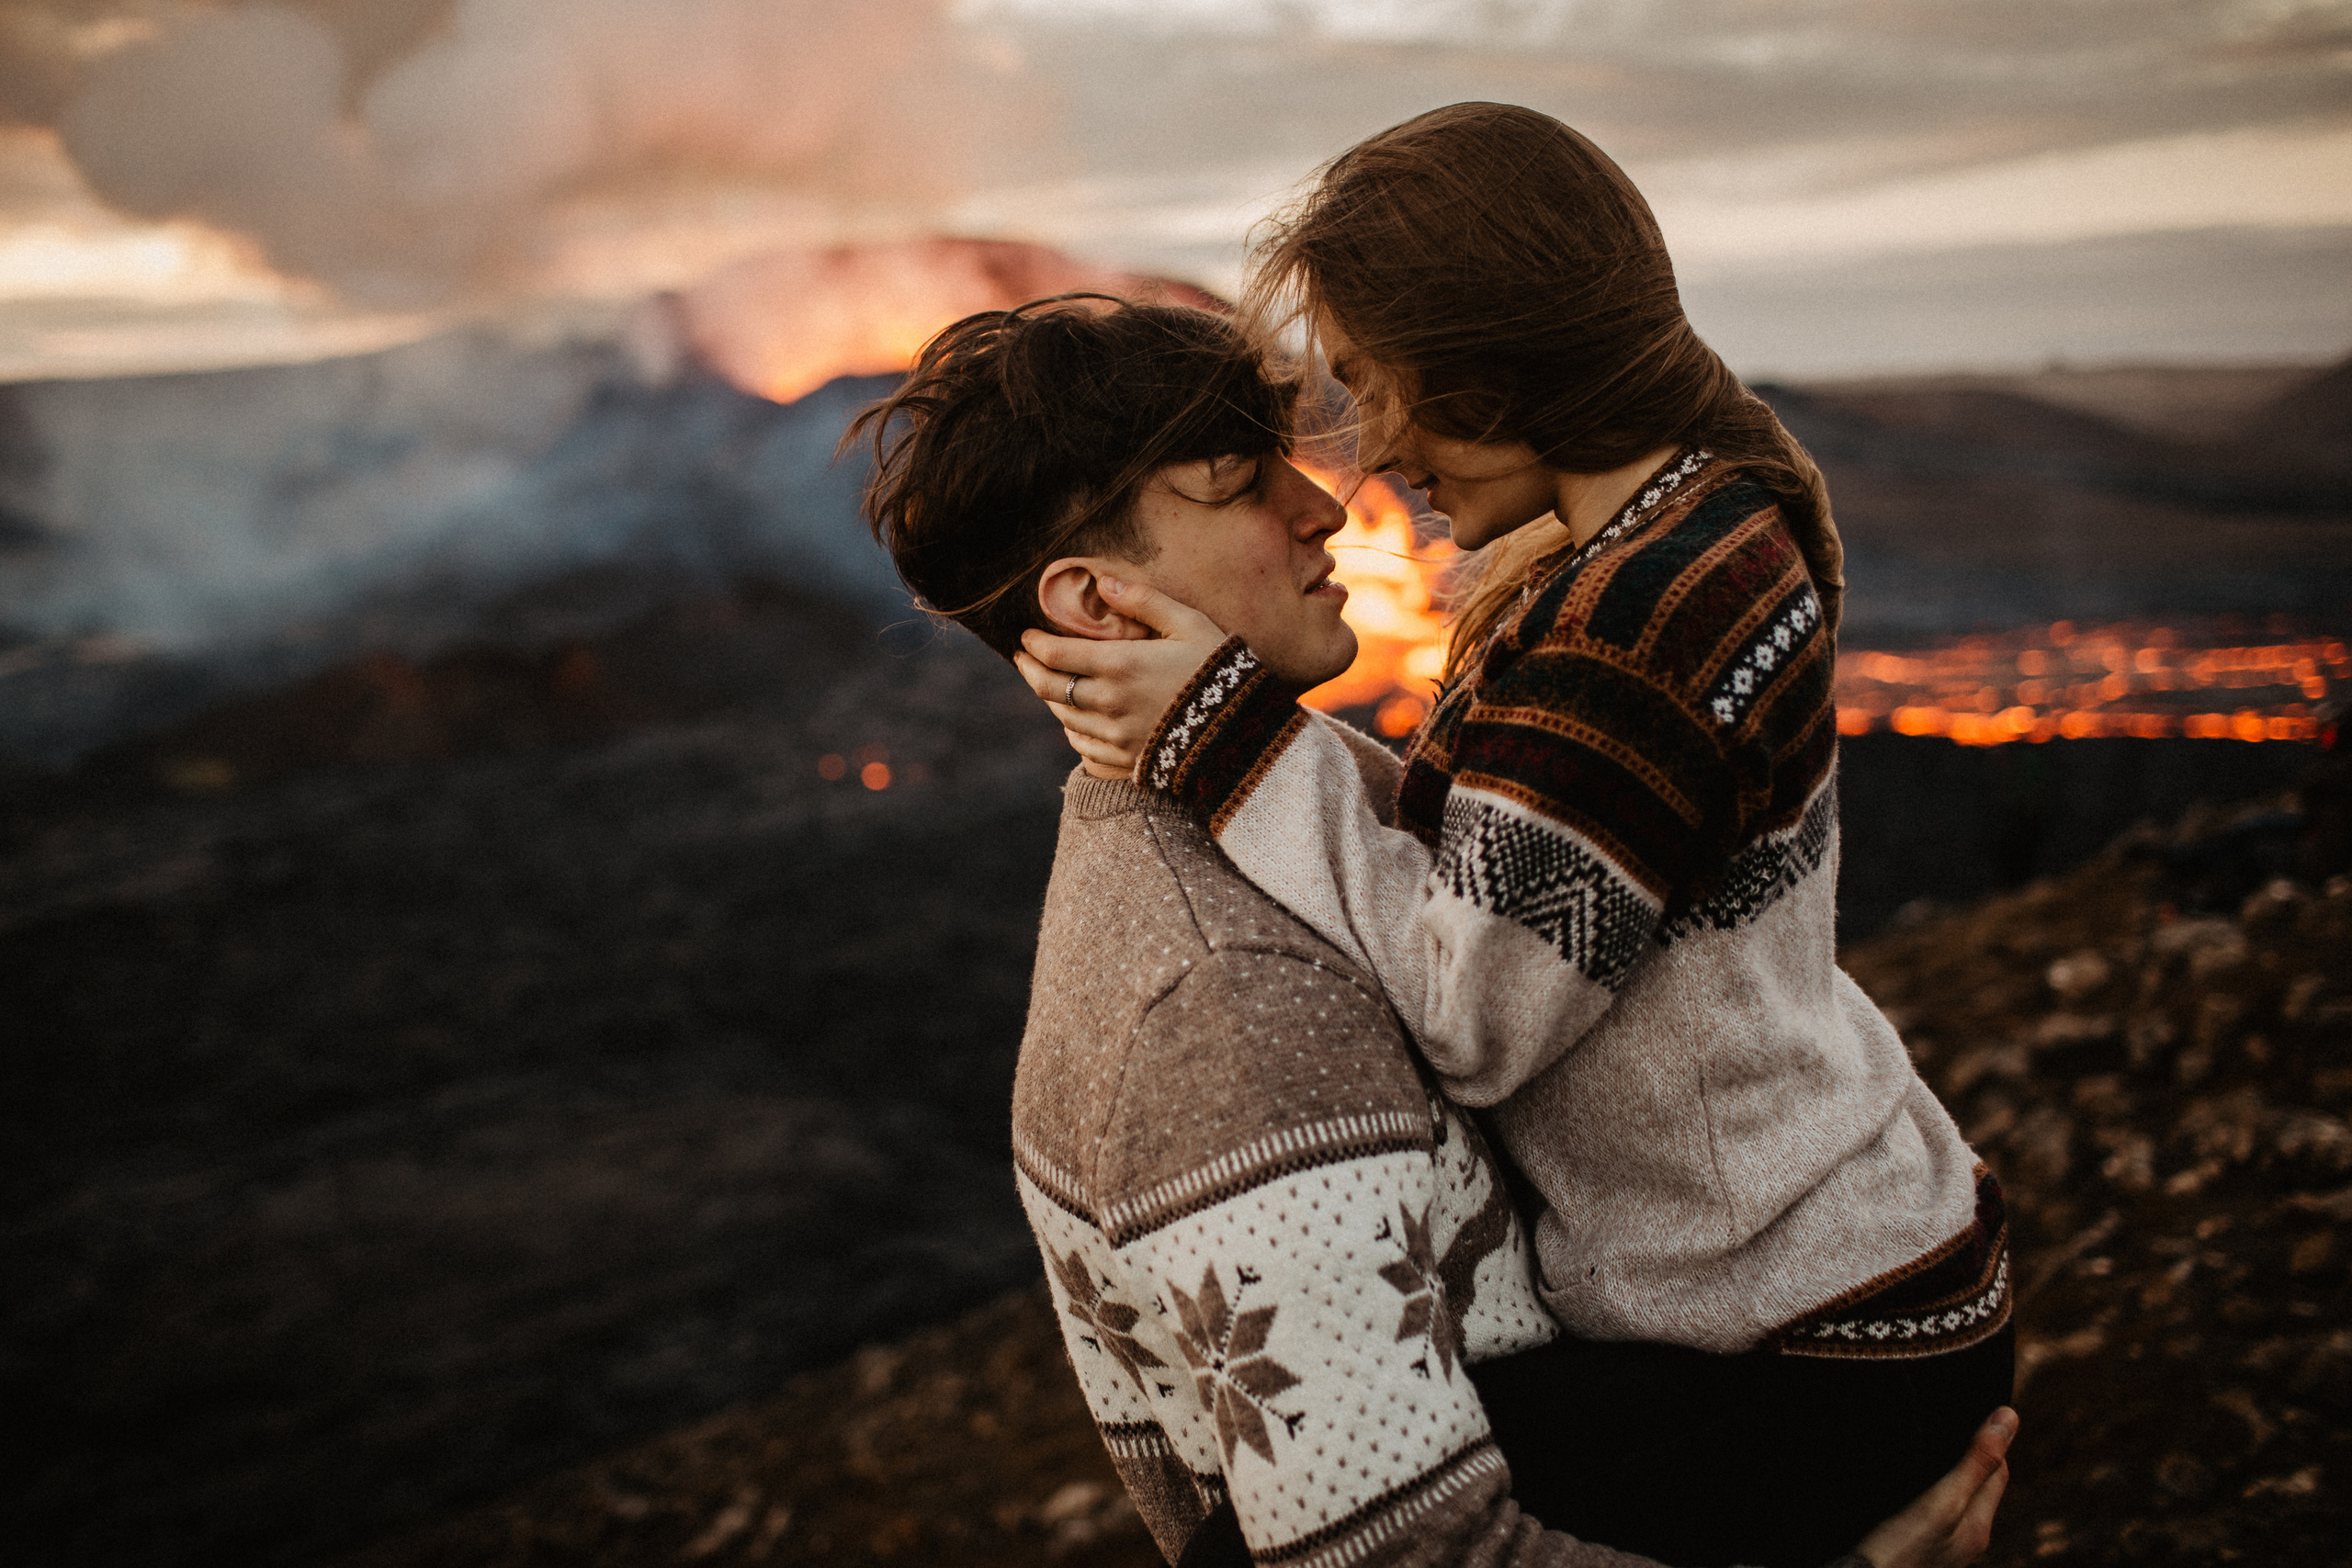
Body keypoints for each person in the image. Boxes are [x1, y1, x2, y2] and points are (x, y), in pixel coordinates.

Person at [850, 293, 2015, 1568]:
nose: (1324, 507)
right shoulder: (1232, 1002)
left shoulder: (1288, 814)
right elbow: (1410, 1555)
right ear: (1096, 603)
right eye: (1241, 481)